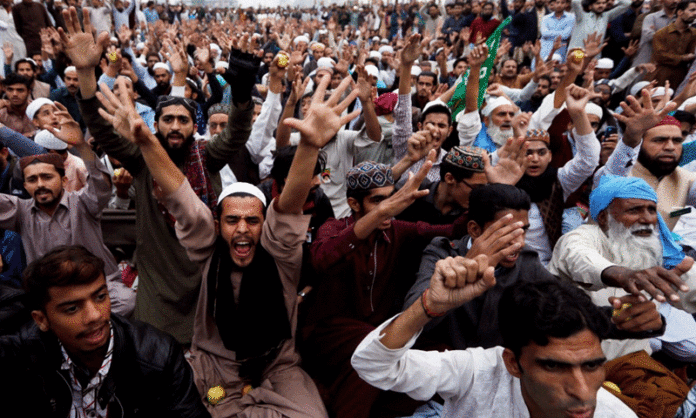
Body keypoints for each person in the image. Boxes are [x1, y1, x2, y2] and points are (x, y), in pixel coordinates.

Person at [96, 74, 353, 418]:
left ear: (266, 225)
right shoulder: (207, 249)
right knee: (213, 409)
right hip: (219, 376)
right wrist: (146, 142)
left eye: (253, 221)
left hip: (278, 370)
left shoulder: (280, 254)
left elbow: (290, 203)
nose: (243, 229)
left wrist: (310, 147)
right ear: (217, 226)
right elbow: (180, 195)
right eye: (232, 221)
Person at [65, 7, 259, 344]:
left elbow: (238, 132)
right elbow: (101, 129)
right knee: (155, 357)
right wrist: (86, 72)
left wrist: (242, 90)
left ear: (192, 127)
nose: (174, 126)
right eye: (167, 119)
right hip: (157, 280)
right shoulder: (141, 159)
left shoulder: (207, 156)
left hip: (203, 273)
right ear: (155, 125)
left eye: (183, 120)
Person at [351, 267, 640, 417]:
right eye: (554, 367)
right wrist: (428, 306)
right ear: (513, 363)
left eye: (591, 366)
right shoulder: (476, 372)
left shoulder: (614, 415)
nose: (581, 391)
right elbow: (373, 364)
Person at [0, 245, 211, 418]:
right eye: (72, 308)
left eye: (100, 297)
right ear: (41, 319)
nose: (94, 316)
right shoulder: (21, 356)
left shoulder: (158, 355)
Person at [550, 176, 696, 354]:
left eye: (651, 210)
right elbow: (578, 256)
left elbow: (688, 289)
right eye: (635, 210)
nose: (647, 219)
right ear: (604, 217)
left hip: (634, 363)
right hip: (577, 359)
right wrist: (621, 274)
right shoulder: (581, 237)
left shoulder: (653, 249)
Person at [595, 92, 696, 231]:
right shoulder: (620, 173)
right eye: (659, 140)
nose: (670, 147)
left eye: (677, 140)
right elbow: (615, 170)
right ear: (640, 143)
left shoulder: (686, 179)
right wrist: (631, 138)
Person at [652, 0, 696, 88]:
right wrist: (683, 58)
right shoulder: (662, 33)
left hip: (680, 79)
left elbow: (692, 54)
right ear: (680, 12)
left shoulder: (694, 34)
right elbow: (660, 56)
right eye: (692, 10)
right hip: (660, 77)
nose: (695, 13)